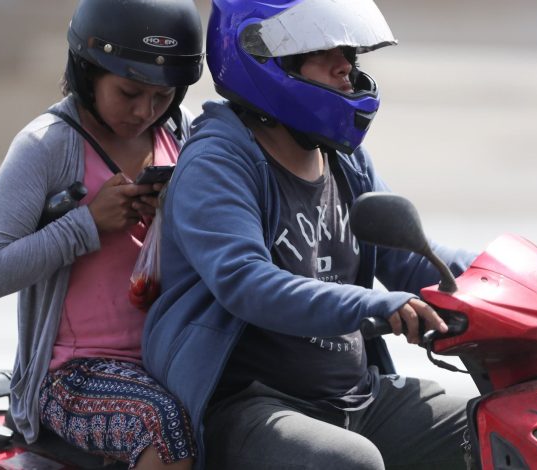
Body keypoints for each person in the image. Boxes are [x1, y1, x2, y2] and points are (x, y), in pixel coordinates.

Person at [138, 0, 472, 469]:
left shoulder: (344, 158)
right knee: (350, 463)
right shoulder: (218, 160)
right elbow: (246, 282)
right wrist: (375, 303)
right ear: (266, 55)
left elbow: (414, 258)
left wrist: (533, 279)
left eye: (350, 51)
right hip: (250, 407)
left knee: (494, 424)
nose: (346, 65)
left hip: (356, 397)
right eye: (323, 48)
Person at [0, 0, 204, 468]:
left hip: (165, 356)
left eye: (162, 97)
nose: (145, 111)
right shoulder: (48, 145)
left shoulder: (177, 135)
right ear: (88, 72)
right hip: (70, 374)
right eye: (129, 92)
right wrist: (87, 224)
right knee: (159, 423)